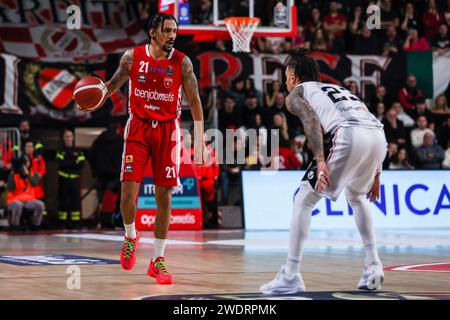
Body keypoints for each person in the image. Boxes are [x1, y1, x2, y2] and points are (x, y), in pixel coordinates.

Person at [77, 13, 205, 285]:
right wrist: (91, 102)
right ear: (153, 33)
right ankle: (131, 236)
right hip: (138, 128)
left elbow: (194, 100)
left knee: (165, 197)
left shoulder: (182, 63)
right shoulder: (132, 58)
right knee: (127, 196)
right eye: (167, 30)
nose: (172, 35)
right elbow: (110, 87)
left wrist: (200, 136)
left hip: (169, 131)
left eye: (175, 31)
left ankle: (157, 260)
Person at [260, 50, 387, 294]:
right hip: (377, 137)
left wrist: (320, 160)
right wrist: (377, 171)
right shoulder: (339, 90)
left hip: (349, 135)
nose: (285, 83)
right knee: (357, 198)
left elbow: (310, 120)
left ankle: (290, 275)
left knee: (303, 199)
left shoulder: (298, 93)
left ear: (294, 77)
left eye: (286, 77)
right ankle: (373, 266)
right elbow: (369, 121)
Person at [88, 123, 124, 228]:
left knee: (101, 201)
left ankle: (103, 222)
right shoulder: (120, 141)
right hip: (116, 177)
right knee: (117, 201)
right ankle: (117, 221)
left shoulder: (97, 142)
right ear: (117, 129)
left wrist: (95, 171)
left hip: (101, 177)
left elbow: (90, 157)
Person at [56, 129, 85, 229]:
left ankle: (75, 224)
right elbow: (60, 164)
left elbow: (81, 165)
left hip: (75, 180)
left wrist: (68, 162)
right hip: (63, 180)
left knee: (75, 202)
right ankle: (62, 223)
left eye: (70, 136)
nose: (68, 138)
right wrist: (73, 161)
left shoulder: (78, 151)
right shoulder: (60, 151)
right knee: (63, 202)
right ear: (63, 138)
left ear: (73, 138)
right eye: (66, 136)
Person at [6, 155, 45, 231]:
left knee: (40, 205)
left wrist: (28, 175)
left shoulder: (33, 173)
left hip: (28, 200)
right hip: (14, 200)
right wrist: (16, 174)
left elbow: (35, 183)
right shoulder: (14, 175)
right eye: (25, 162)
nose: (27, 164)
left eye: (28, 162)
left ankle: (35, 225)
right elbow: (9, 188)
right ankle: (15, 225)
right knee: (18, 205)